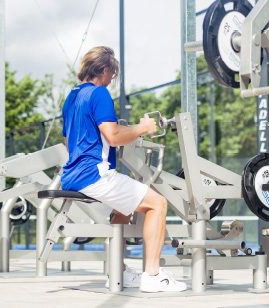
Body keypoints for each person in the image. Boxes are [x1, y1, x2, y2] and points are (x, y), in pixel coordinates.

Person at [61, 46, 187, 293]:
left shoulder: (72, 98)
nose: (111, 81)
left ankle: (117, 271)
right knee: (158, 204)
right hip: (94, 176)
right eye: (112, 76)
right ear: (105, 70)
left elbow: (69, 142)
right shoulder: (99, 94)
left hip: (71, 177)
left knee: (123, 210)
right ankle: (152, 276)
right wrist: (144, 128)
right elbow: (114, 135)